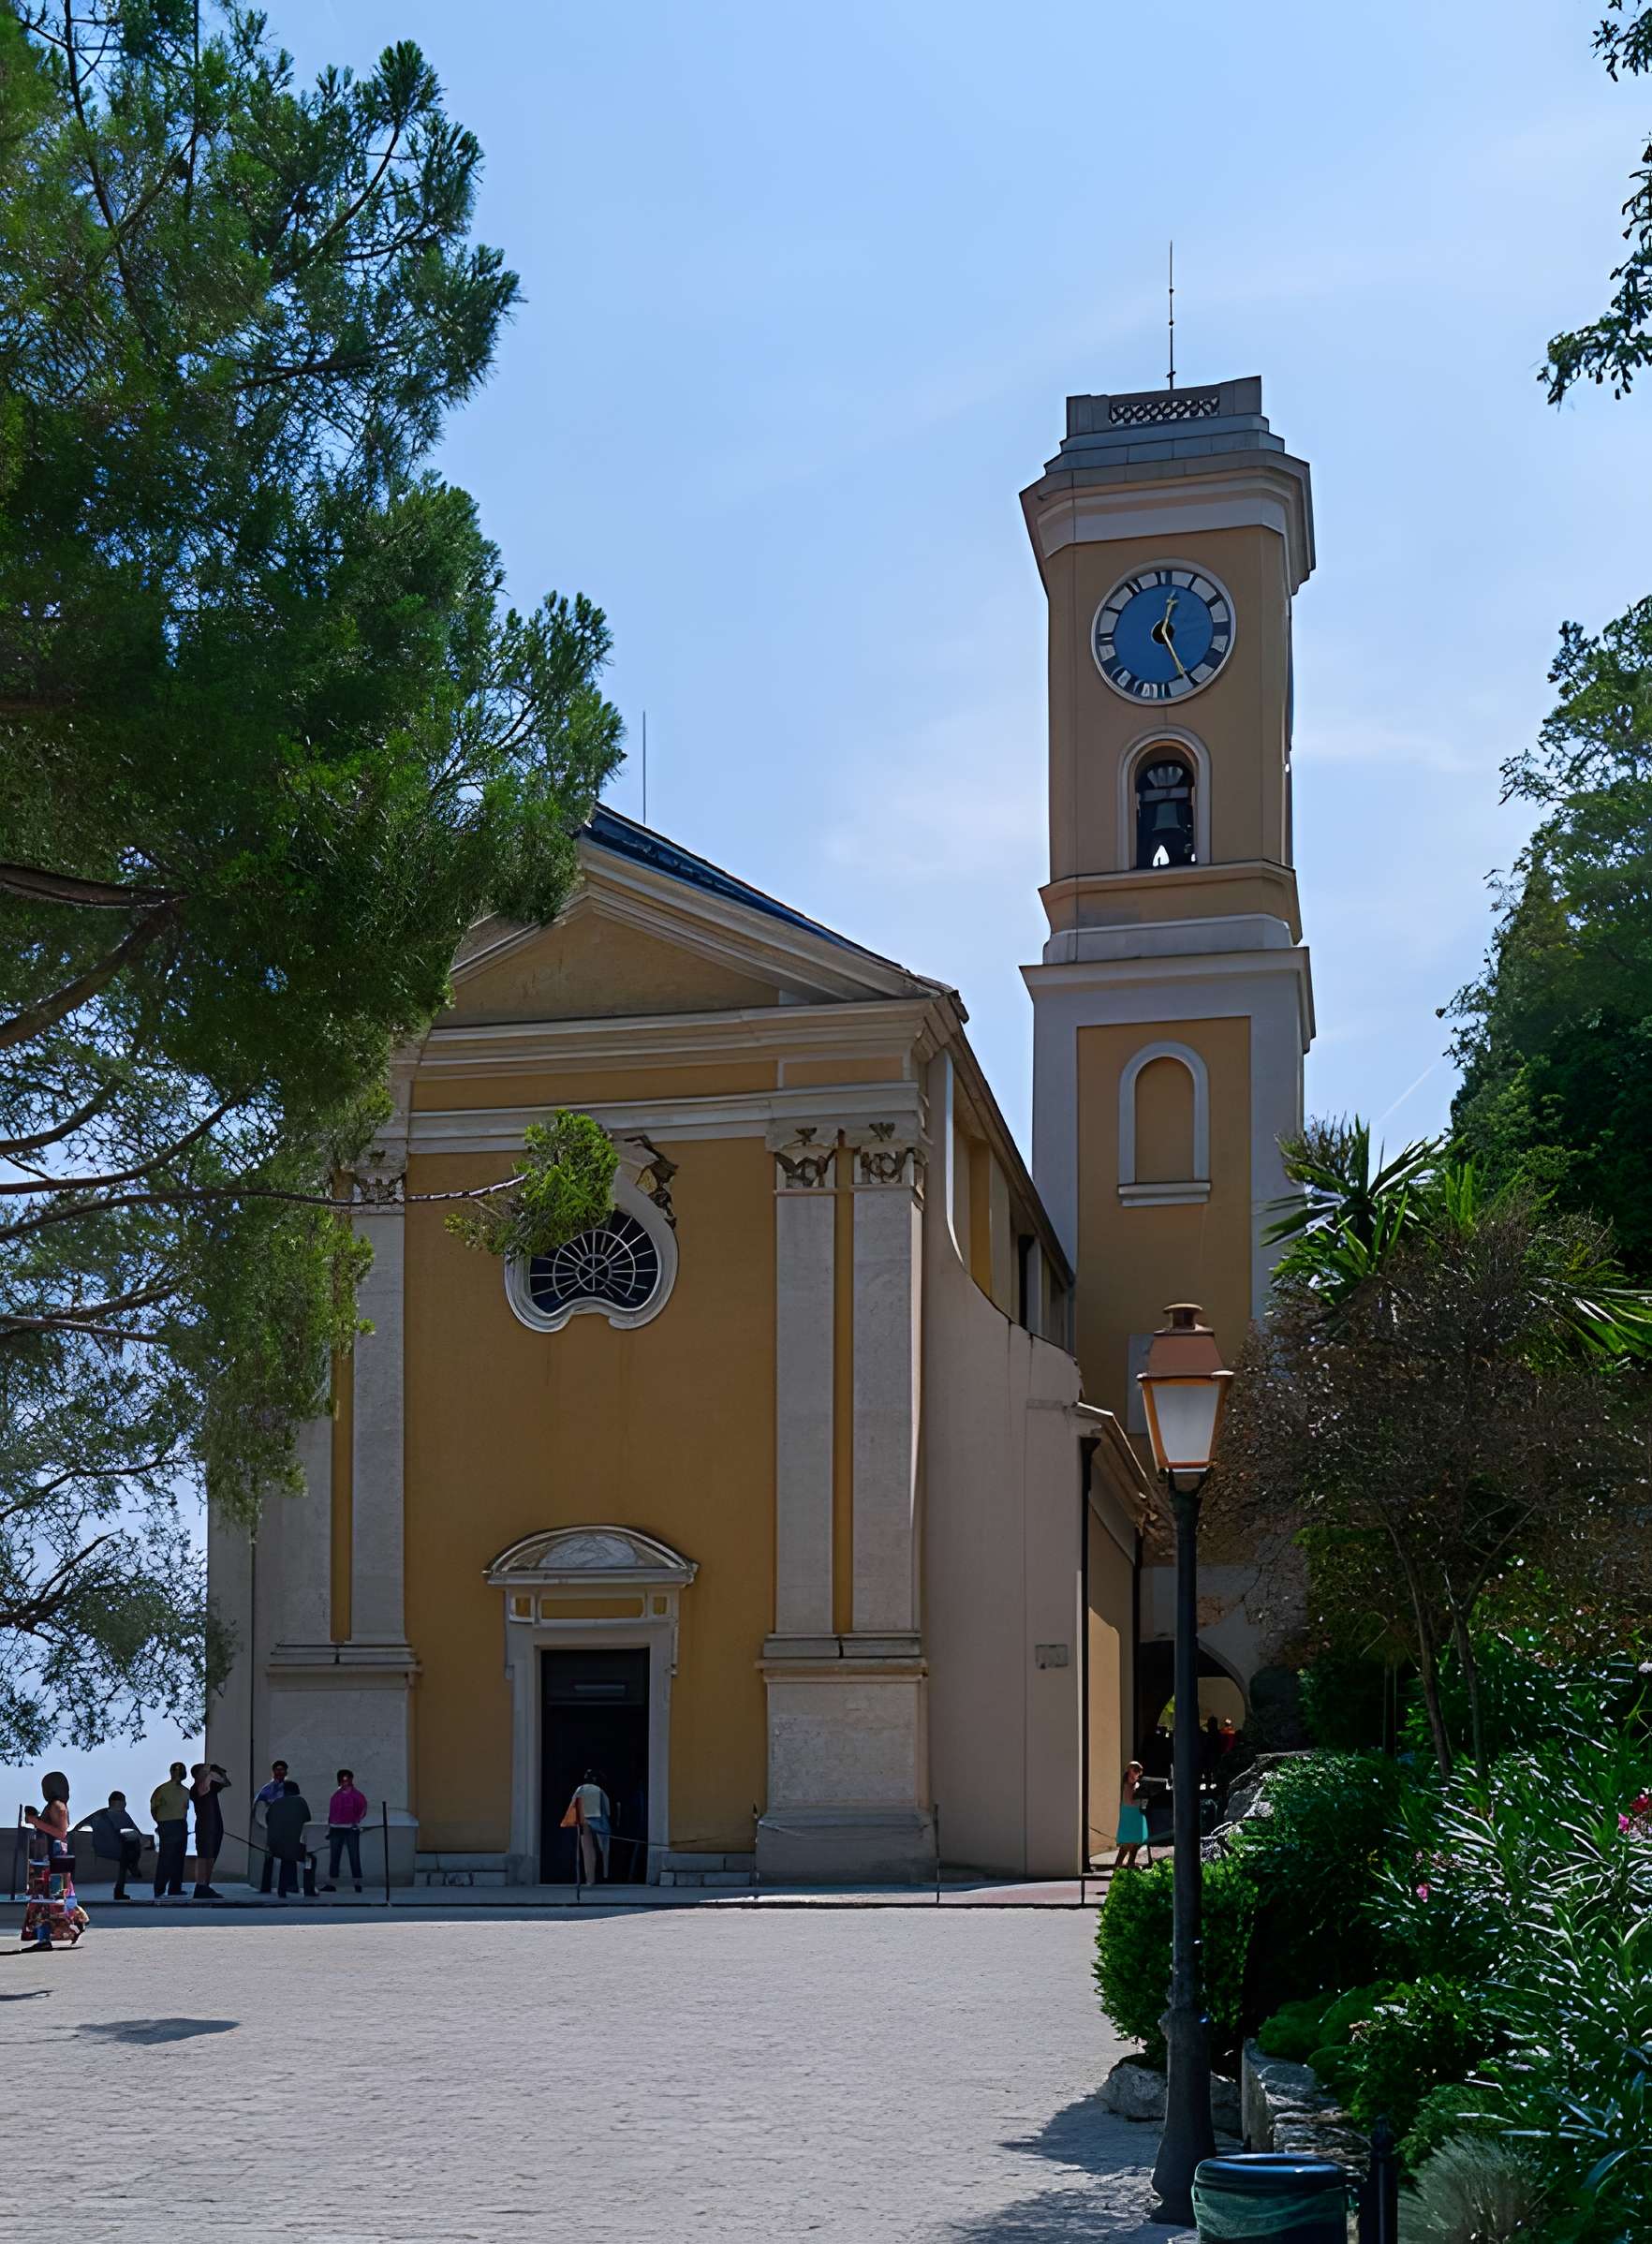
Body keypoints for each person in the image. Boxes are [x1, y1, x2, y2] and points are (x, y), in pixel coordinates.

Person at [22, 1772, 83, 1949]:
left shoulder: (58, 1806)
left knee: (49, 1900)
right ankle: (47, 1936)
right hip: (46, 1860)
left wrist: (35, 1821)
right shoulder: (53, 1806)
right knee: (44, 1901)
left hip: (53, 1861)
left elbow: (61, 1833)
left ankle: (63, 1930)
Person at [77, 1791, 144, 1899]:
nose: (125, 1804)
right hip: (115, 1848)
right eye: (123, 1802)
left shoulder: (100, 1814)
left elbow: (80, 1825)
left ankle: (122, 1886)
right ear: (118, 1802)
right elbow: (135, 1832)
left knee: (125, 1858)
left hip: (103, 1847)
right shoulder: (121, 1815)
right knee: (128, 1852)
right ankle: (132, 1867)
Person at [263, 1780, 315, 1899]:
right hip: (293, 1845)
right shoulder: (300, 1802)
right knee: (310, 1858)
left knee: (287, 1858)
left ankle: (288, 1886)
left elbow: (267, 1819)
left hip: (274, 1844)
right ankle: (308, 1889)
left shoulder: (276, 1802)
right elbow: (307, 1818)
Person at [322, 1768, 369, 1893]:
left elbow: (363, 1809)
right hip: (335, 1829)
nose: (344, 1782)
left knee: (354, 1856)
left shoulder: (357, 1796)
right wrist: (329, 1828)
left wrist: (356, 1821)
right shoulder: (336, 1796)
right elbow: (332, 1813)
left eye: (346, 1779)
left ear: (351, 1780)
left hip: (350, 1829)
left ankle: (358, 1884)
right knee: (334, 1857)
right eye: (342, 1780)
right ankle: (331, 1884)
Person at [189, 1762, 231, 1899]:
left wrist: (217, 1771)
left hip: (215, 1826)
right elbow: (205, 1783)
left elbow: (226, 1783)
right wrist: (209, 1770)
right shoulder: (198, 1788)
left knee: (211, 1855)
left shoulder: (212, 1788)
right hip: (205, 1827)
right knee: (204, 1855)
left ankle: (205, 1886)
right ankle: (200, 1886)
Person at [151, 1761, 190, 1900]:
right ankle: (160, 1888)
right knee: (167, 1858)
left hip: (179, 1824)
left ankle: (174, 1888)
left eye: (181, 1771)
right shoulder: (162, 1790)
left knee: (178, 1857)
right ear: (172, 1772)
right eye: (177, 1771)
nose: (179, 1773)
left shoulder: (185, 1791)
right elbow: (154, 1809)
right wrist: (161, 1823)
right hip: (168, 1825)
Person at [252, 1760, 289, 1895]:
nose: (279, 1772)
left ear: (286, 1772)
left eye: (282, 1769)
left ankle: (290, 1885)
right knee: (269, 1855)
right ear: (273, 1772)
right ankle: (265, 1885)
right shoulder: (267, 1788)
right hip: (272, 1825)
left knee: (288, 1856)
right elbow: (257, 1804)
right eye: (277, 1770)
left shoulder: (289, 1787)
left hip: (287, 1825)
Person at [568, 1770, 611, 1883]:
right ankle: (603, 1876)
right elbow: (607, 1810)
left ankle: (590, 1880)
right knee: (603, 1851)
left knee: (587, 1851)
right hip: (599, 1823)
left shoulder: (580, 1789)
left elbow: (573, 1805)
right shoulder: (600, 1791)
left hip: (584, 1823)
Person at [1114, 1762, 1150, 1872]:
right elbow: (1130, 1800)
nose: (1138, 1773)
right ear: (1130, 1771)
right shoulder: (1128, 1782)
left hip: (1136, 1813)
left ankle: (1130, 1863)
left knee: (1136, 1841)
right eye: (1136, 1770)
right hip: (1130, 1813)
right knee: (1127, 1842)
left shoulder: (1135, 1782)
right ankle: (1117, 1866)